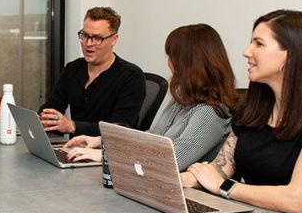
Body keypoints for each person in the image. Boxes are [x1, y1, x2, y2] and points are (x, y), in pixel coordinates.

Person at [182, 10, 302, 213]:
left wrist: (224, 187)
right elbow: (220, 168)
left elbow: (296, 200)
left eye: (259, 44)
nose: (247, 52)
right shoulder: (253, 108)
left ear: (291, 54)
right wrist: (181, 179)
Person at [64, 24, 238, 169]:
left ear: (187, 63)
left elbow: (171, 161)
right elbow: (150, 138)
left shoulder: (211, 112)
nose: (169, 62)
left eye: (171, 56)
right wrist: (100, 141)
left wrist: (106, 155)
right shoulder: (183, 100)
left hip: (182, 192)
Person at [39, 6, 145, 136]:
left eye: (97, 38)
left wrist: (72, 126)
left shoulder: (131, 77)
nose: (88, 43)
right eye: (85, 35)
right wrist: (46, 117)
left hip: (104, 153)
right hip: (72, 149)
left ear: (114, 39)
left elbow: (119, 129)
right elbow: (53, 105)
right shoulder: (73, 69)